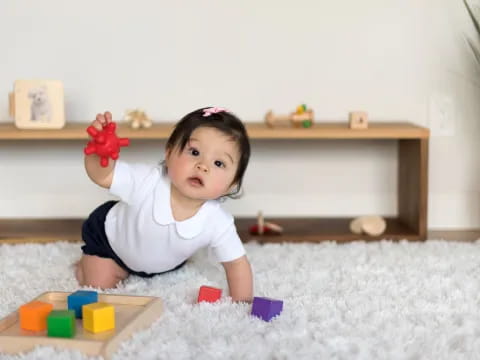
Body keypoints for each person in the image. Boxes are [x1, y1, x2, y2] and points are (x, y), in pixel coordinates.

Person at [76, 107, 253, 302]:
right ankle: (85, 265)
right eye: (194, 152)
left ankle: (150, 265)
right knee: (98, 286)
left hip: (164, 261)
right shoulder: (147, 181)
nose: (202, 166)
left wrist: (243, 303)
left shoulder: (218, 221)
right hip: (110, 243)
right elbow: (104, 176)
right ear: (169, 153)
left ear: (232, 184)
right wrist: (99, 153)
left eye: (219, 163)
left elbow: (237, 264)